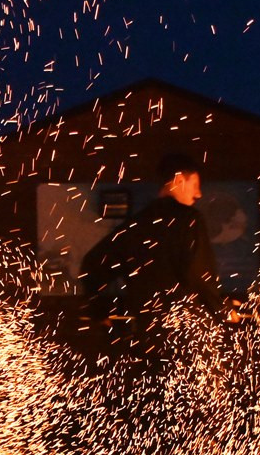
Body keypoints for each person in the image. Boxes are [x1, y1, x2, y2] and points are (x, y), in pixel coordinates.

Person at [81, 153, 239, 356]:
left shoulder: (136, 225)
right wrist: (223, 310)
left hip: (148, 340)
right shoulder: (190, 220)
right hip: (189, 339)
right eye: (195, 184)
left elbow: (92, 265)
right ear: (179, 180)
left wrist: (99, 311)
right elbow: (198, 275)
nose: (198, 194)